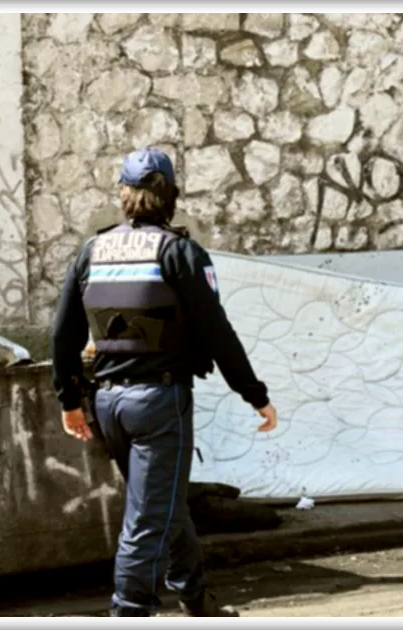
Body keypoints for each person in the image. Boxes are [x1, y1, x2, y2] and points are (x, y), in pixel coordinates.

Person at [50, 147, 279, 618]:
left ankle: (198, 603)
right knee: (147, 520)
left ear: (123, 195)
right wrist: (254, 394)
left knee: (165, 505)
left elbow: (63, 333)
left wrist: (69, 399)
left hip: (108, 405)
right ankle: (129, 610)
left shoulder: (92, 251)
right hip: (159, 402)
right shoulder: (179, 252)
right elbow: (217, 332)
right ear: (170, 196)